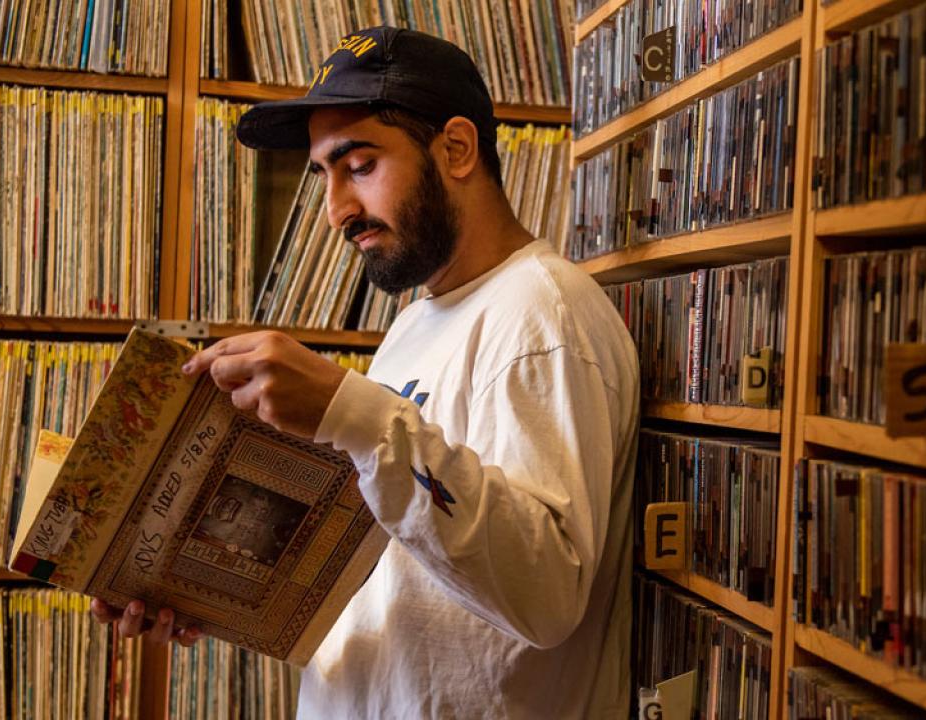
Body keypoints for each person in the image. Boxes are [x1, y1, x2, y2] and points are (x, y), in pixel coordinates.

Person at [92, 26, 640, 718]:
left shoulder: (543, 316)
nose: (335, 213)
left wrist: (353, 412)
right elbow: (395, 564)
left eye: (358, 166)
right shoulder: (416, 323)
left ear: (458, 149)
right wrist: (189, 583)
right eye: (324, 174)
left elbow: (548, 593)